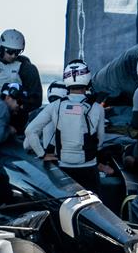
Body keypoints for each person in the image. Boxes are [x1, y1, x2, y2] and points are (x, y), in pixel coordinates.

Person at [25, 60, 105, 194]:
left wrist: (42, 154)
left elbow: (30, 131)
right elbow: (100, 140)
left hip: (64, 168)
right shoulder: (97, 108)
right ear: (87, 79)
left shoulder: (54, 106)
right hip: (89, 168)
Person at [0, 29, 42, 114]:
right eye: (10, 51)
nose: (13, 56)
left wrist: (19, 107)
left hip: (18, 113)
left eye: (17, 52)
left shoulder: (27, 69)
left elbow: (36, 99)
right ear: (1, 49)